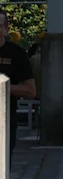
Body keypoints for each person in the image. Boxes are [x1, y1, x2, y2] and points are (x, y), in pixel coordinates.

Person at [0, 11, 36, 152]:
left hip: (5, 117)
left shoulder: (17, 54)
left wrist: (4, 87)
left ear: (6, 30)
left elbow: (31, 91)